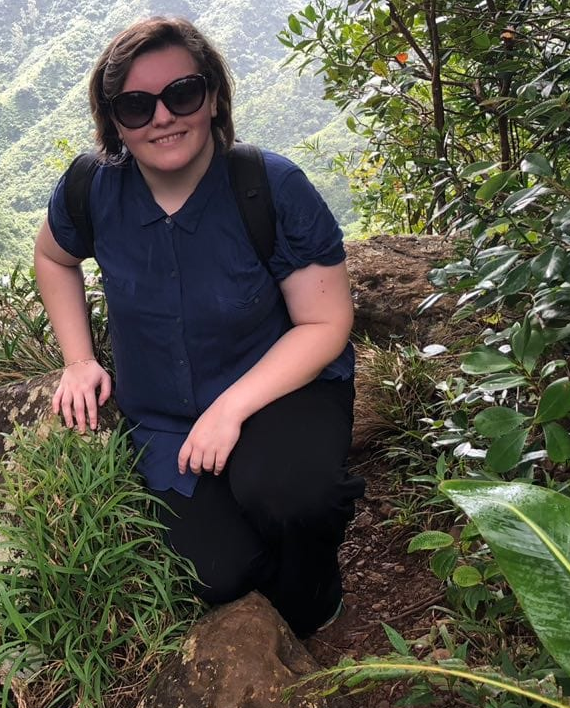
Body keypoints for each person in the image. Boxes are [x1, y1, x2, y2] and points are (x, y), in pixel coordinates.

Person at [33, 16, 364, 638]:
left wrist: (231, 408)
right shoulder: (92, 188)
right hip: (164, 421)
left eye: (181, 93)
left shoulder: (267, 187)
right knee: (216, 573)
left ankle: (316, 598)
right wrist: (78, 359)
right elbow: (54, 257)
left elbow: (326, 321)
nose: (162, 117)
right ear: (115, 121)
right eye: (136, 105)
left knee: (290, 496)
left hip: (277, 389)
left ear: (212, 95)